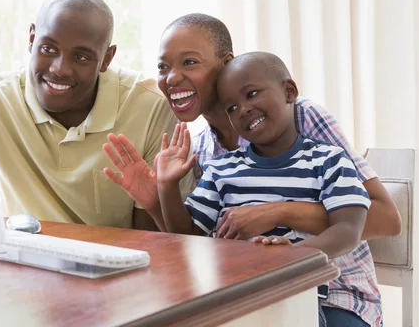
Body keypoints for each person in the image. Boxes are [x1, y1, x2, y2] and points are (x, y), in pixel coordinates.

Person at [156, 52, 379, 327]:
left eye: (251, 95)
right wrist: (166, 186)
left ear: (289, 91)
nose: (243, 110)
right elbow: (188, 237)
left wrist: (290, 259)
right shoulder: (221, 169)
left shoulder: (329, 160)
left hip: (303, 298)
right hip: (235, 301)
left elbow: (348, 231)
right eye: (231, 108)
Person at [0, 0, 195, 231]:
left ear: (107, 59)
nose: (60, 69)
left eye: (80, 57)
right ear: (31, 39)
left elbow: (160, 240)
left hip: (115, 263)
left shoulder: (151, 106)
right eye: (48, 49)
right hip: (24, 260)